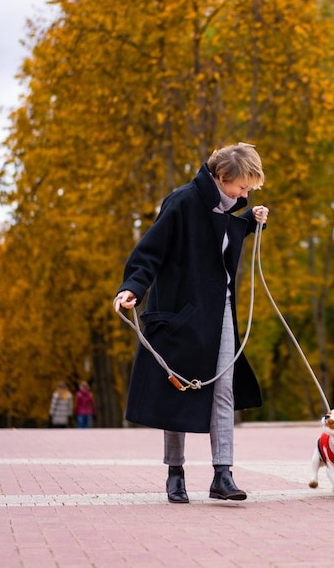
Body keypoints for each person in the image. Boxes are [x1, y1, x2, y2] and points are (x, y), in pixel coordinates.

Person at [114, 142, 269, 504]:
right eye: (243, 187)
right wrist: (132, 287)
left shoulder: (226, 208)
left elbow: (219, 239)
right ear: (222, 177)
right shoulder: (181, 202)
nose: (245, 193)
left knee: (224, 388)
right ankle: (175, 474)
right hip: (181, 316)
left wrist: (247, 222)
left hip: (221, 312)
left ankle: (223, 474)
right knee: (177, 391)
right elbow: (151, 251)